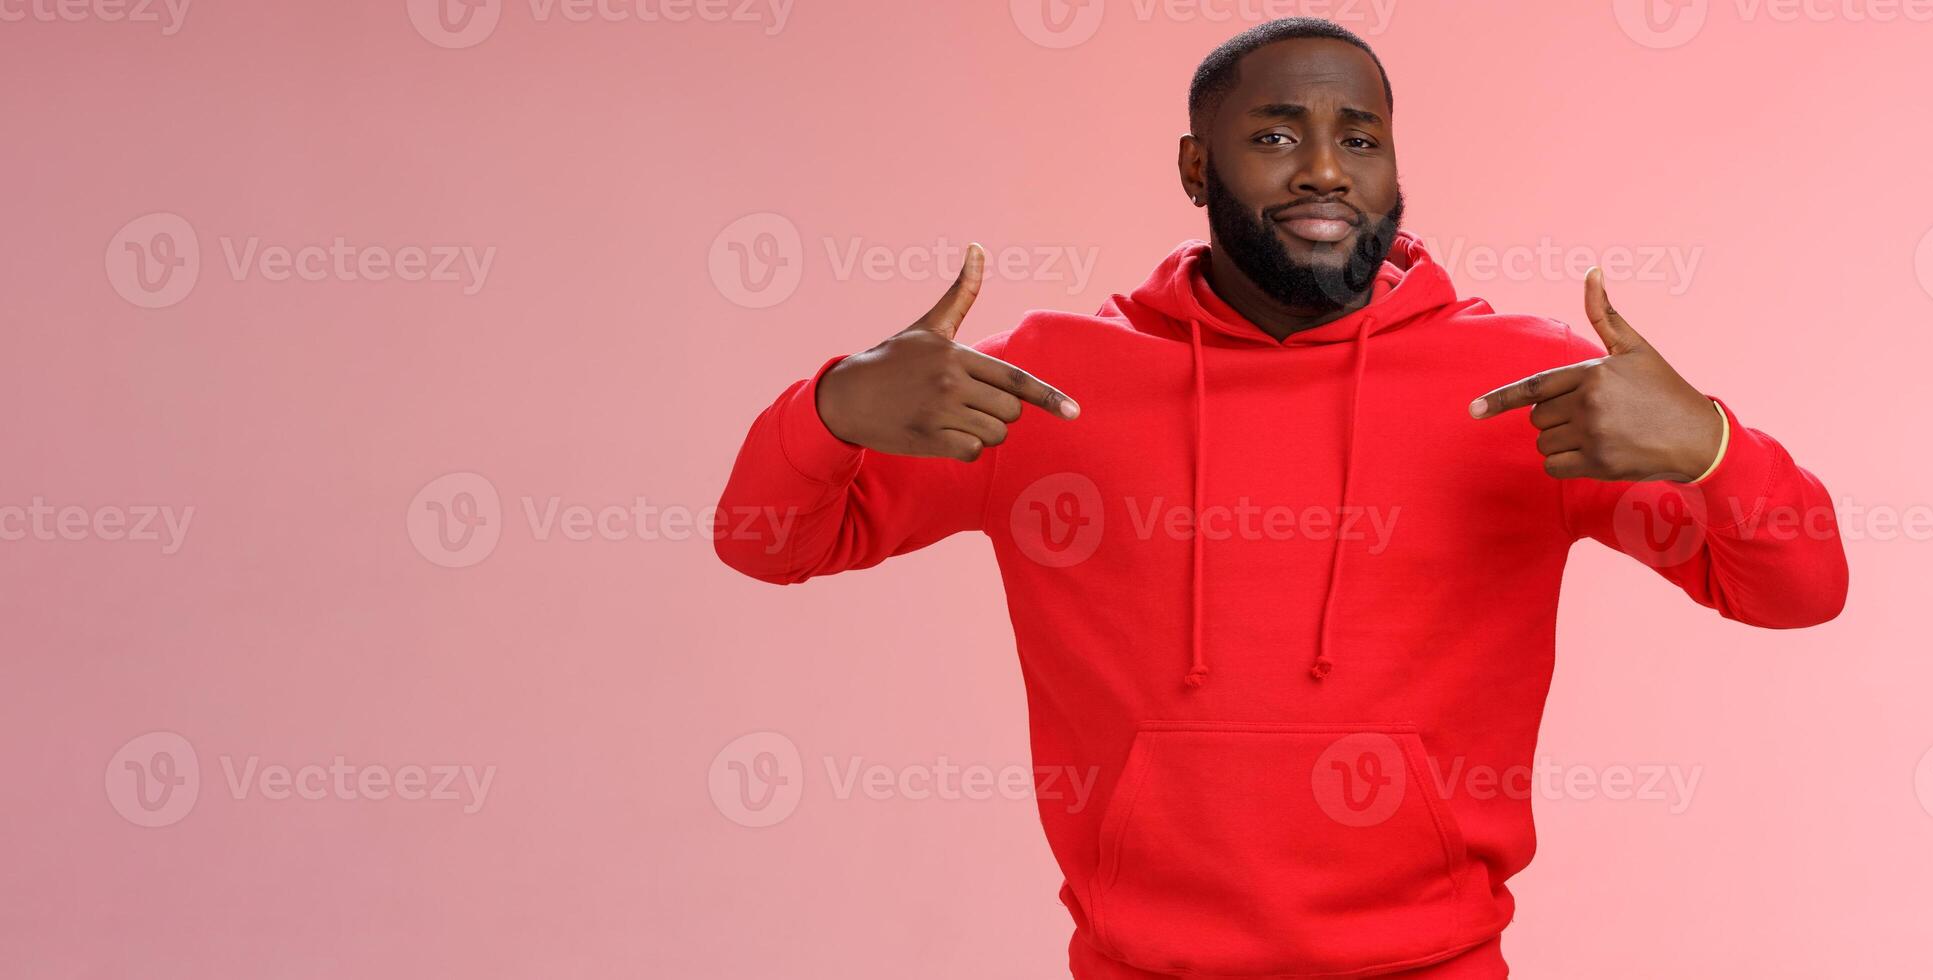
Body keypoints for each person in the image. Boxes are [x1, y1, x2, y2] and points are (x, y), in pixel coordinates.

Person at [713, 18, 1848, 978]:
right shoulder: (1047, 384)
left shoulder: (1524, 385)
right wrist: (831, 409)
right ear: (1194, 169)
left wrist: (1707, 442)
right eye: (1273, 135)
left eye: (1359, 137)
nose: (1323, 169)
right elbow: (765, 541)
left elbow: (1799, 589)